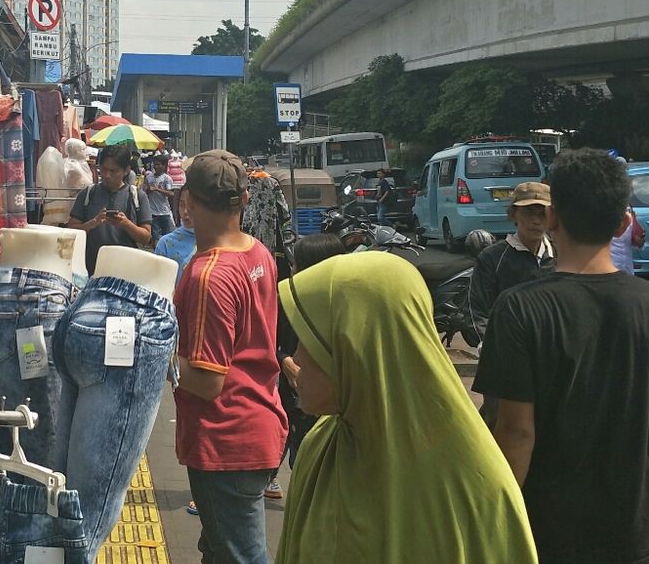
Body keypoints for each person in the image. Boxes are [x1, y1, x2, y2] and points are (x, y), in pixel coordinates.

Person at [277, 252, 538, 564]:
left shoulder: (475, 491)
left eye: (310, 341)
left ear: (358, 349)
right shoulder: (319, 448)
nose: (297, 357)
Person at [474, 148, 649, 564]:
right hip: (636, 529)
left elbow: (517, 433)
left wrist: (495, 522)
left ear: (553, 218)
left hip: (551, 530)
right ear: (625, 223)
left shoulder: (521, 309)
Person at [173, 149, 286, 564]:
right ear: (244, 200)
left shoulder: (209, 275)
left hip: (226, 439)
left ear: (188, 201)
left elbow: (207, 380)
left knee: (241, 556)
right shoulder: (256, 252)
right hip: (258, 421)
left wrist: (154, 353)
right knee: (220, 550)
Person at [265, 232, 347, 501]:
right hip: (291, 398)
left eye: (296, 264)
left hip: (327, 411)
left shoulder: (344, 311)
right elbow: (268, 342)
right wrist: (284, 361)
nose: (292, 270)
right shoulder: (286, 302)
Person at [467, 182, 556, 347]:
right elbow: (477, 311)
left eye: (542, 213)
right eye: (529, 212)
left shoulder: (560, 255)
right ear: (513, 214)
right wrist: (489, 346)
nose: (536, 221)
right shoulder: (492, 258)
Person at [67, 143, 153, 274]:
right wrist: (92, 224)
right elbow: (70, 230)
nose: (107, 175)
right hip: (91, 270)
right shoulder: (88, 194)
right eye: (104, 169)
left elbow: (146, 237)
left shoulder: (137, 196)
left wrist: (126, 224)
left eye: (114, 171)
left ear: (126, 170)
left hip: (126, 272)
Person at [154, 198, 196, 284]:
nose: (185, 211)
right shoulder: (166, 243)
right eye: (182, 205)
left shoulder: (220, 241)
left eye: (192, 206)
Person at [143, 155, 177, 243]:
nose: (156, 167)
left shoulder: (166, 179)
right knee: (155, 236)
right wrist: (148, 190)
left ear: (164, 166)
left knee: (168, 236)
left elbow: (171, 193)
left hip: (164, 212)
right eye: (155, 164)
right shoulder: (149, 177)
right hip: (153, 212)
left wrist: (157, 189)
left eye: (158, 164)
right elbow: (144, 192)